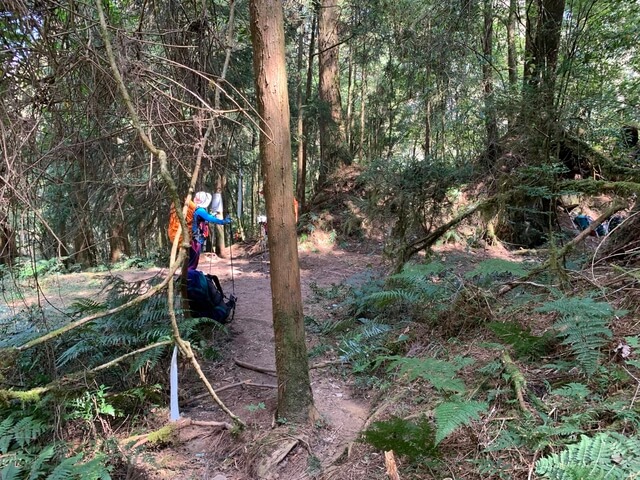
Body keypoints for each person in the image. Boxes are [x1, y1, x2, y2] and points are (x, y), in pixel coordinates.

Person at [190, 191, 232, 270]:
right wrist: (223, 221)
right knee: (192, 262)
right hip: (195, 240)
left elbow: (206, 218)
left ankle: (188, 278)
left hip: (194, 239)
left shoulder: (196, 209)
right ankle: (189, 279)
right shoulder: (200, 210)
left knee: (192, 261)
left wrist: (212, 214)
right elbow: (210, 219)